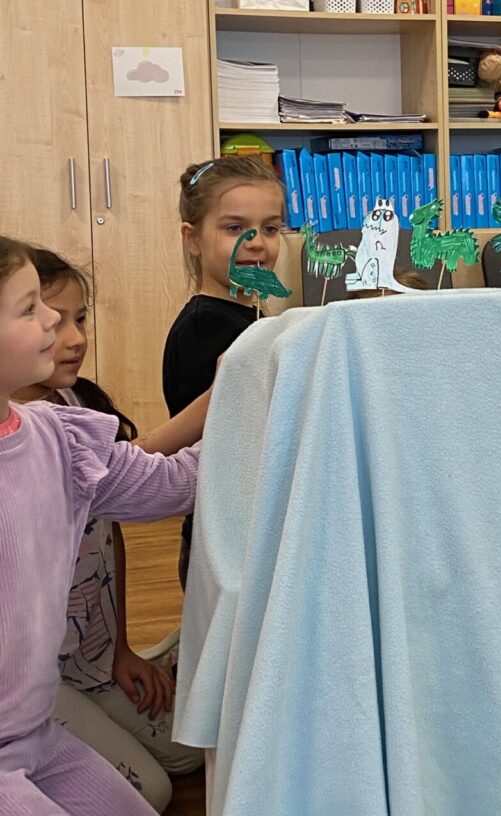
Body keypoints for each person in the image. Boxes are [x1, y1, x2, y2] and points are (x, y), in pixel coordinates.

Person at [0, 234, 210, 816]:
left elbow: (173, 482)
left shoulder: (57, 436)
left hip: (35, 732)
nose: (53, 321)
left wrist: (250, 395)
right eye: (31, 308)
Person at [162, 155, 286, 587]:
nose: (257, 243)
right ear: (192, 239)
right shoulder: (206, 326)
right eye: (235, 228)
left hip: (247, 529)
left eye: (270, 228)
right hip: (226, 543)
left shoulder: (250, 317)